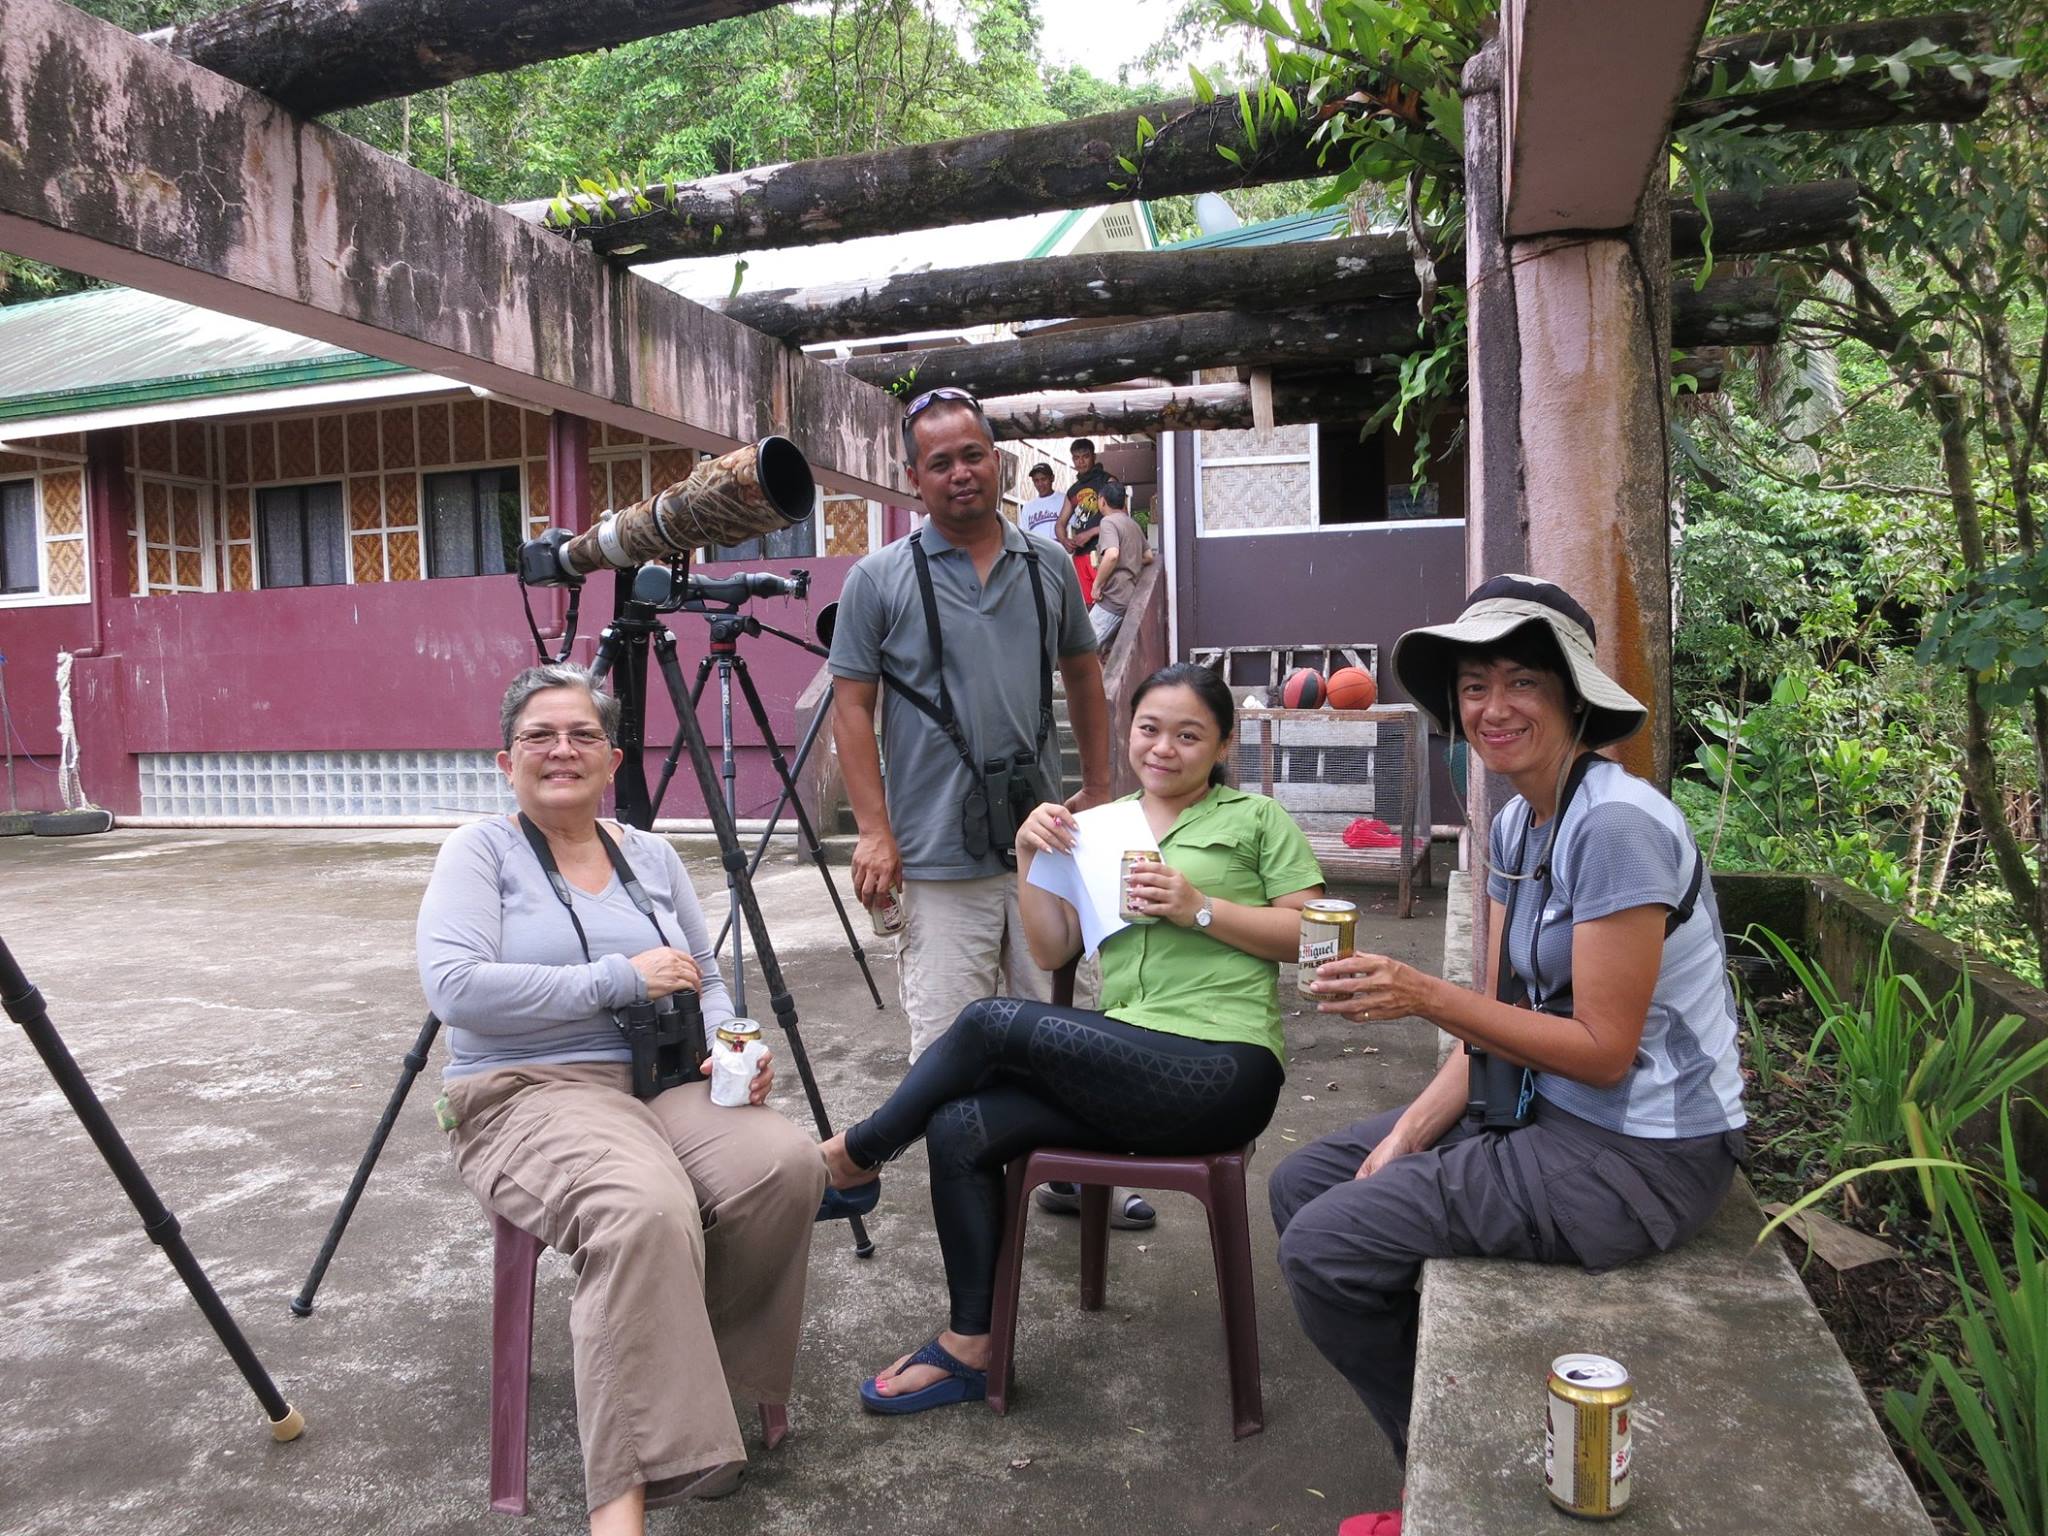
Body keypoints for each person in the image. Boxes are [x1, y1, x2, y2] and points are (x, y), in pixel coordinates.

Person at [1269, 575, 1747, 1536]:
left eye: (1523, 681)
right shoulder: (1517, 822)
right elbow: (1496, 1015)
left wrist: (1421, 996)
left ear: (1574, 697)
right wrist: (1408, 1132)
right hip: (1548, 1112)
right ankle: (1453, 1423)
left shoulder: (1614, 824)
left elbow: (1605, 1053)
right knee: (1302, 1187)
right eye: (1476, 684)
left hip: (1641, 1154)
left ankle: (1442, 1482)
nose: (1494, 708)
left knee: (1325, 1247)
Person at [817, 662, 1327, 1413]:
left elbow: (1318, 942)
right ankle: (969, 1347)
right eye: (1149, 729)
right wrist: (1030, 858)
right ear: (1129, 735)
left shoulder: (1255, 820)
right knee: (960, 1126)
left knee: (989, 1021)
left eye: (1190, 735)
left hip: (1223, 1070)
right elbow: (1054, 951)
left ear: (1220, 746)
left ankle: (853, 1155)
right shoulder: (1099, 831)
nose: (1164, 748)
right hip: (1126, 1068)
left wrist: (1200, 907)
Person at [417, 663, 830, 1536]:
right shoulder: (479, 851)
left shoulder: (648, 853)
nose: (561, 750)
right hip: (528, 1090)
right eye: (540, 736)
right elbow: (455, 989)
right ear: (506, 760)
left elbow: (705, 970)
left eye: (583, 736)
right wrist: (617, 980)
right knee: (641, 1207)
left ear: (612, 759)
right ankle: (625, 1501)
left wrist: (730, 1042)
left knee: (785, 1165)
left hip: (662, 1080)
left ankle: (704, 1395)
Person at [830, 386, 1113, 1065]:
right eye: (940, 462)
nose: (960, 473)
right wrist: (873, 830)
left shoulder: (1047, 566)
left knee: (1063, 1034)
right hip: (935, 855)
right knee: (950, 1052)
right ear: (914, 480)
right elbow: (851, 707)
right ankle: (970, 1174)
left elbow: (1083, 673)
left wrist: (1100, 785)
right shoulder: (877, 578)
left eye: (973, 455)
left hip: (1043, 845)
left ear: (1000, 463)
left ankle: (1057, 1173)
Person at [1055, 438, 1126, 606]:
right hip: (1080, 556)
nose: (1081, 462)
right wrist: (1064, 540)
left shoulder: (1107, 481)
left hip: (1103, 553)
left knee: (1108, 603)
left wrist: (1091, 532)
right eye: (1076, 458)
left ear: (1093, 457)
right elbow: (1059, 523)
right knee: (1087, 607)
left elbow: (1122, 517)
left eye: (1085, 456)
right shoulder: (1073, 490)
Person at [1087, 496, 1152, 648]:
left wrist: (1096, 585)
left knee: (1083, 649)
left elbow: (1112, 555)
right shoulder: (1132, 524)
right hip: (1130, 596)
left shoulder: (1108, 522)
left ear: (1102, 501)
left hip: (1113, 597)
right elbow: (1148, 557)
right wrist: (1129, 560)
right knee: (1102, 653)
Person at [1019, 461, 1064, 543]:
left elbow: (1078, 526)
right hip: (1037, 552)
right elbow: (1024, 536)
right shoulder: (1028, 506)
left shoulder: (1064, 499)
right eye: (1036, 480)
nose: (1040, 484)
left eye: (1043, 479)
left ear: (1052, 478)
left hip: (1059, 552)